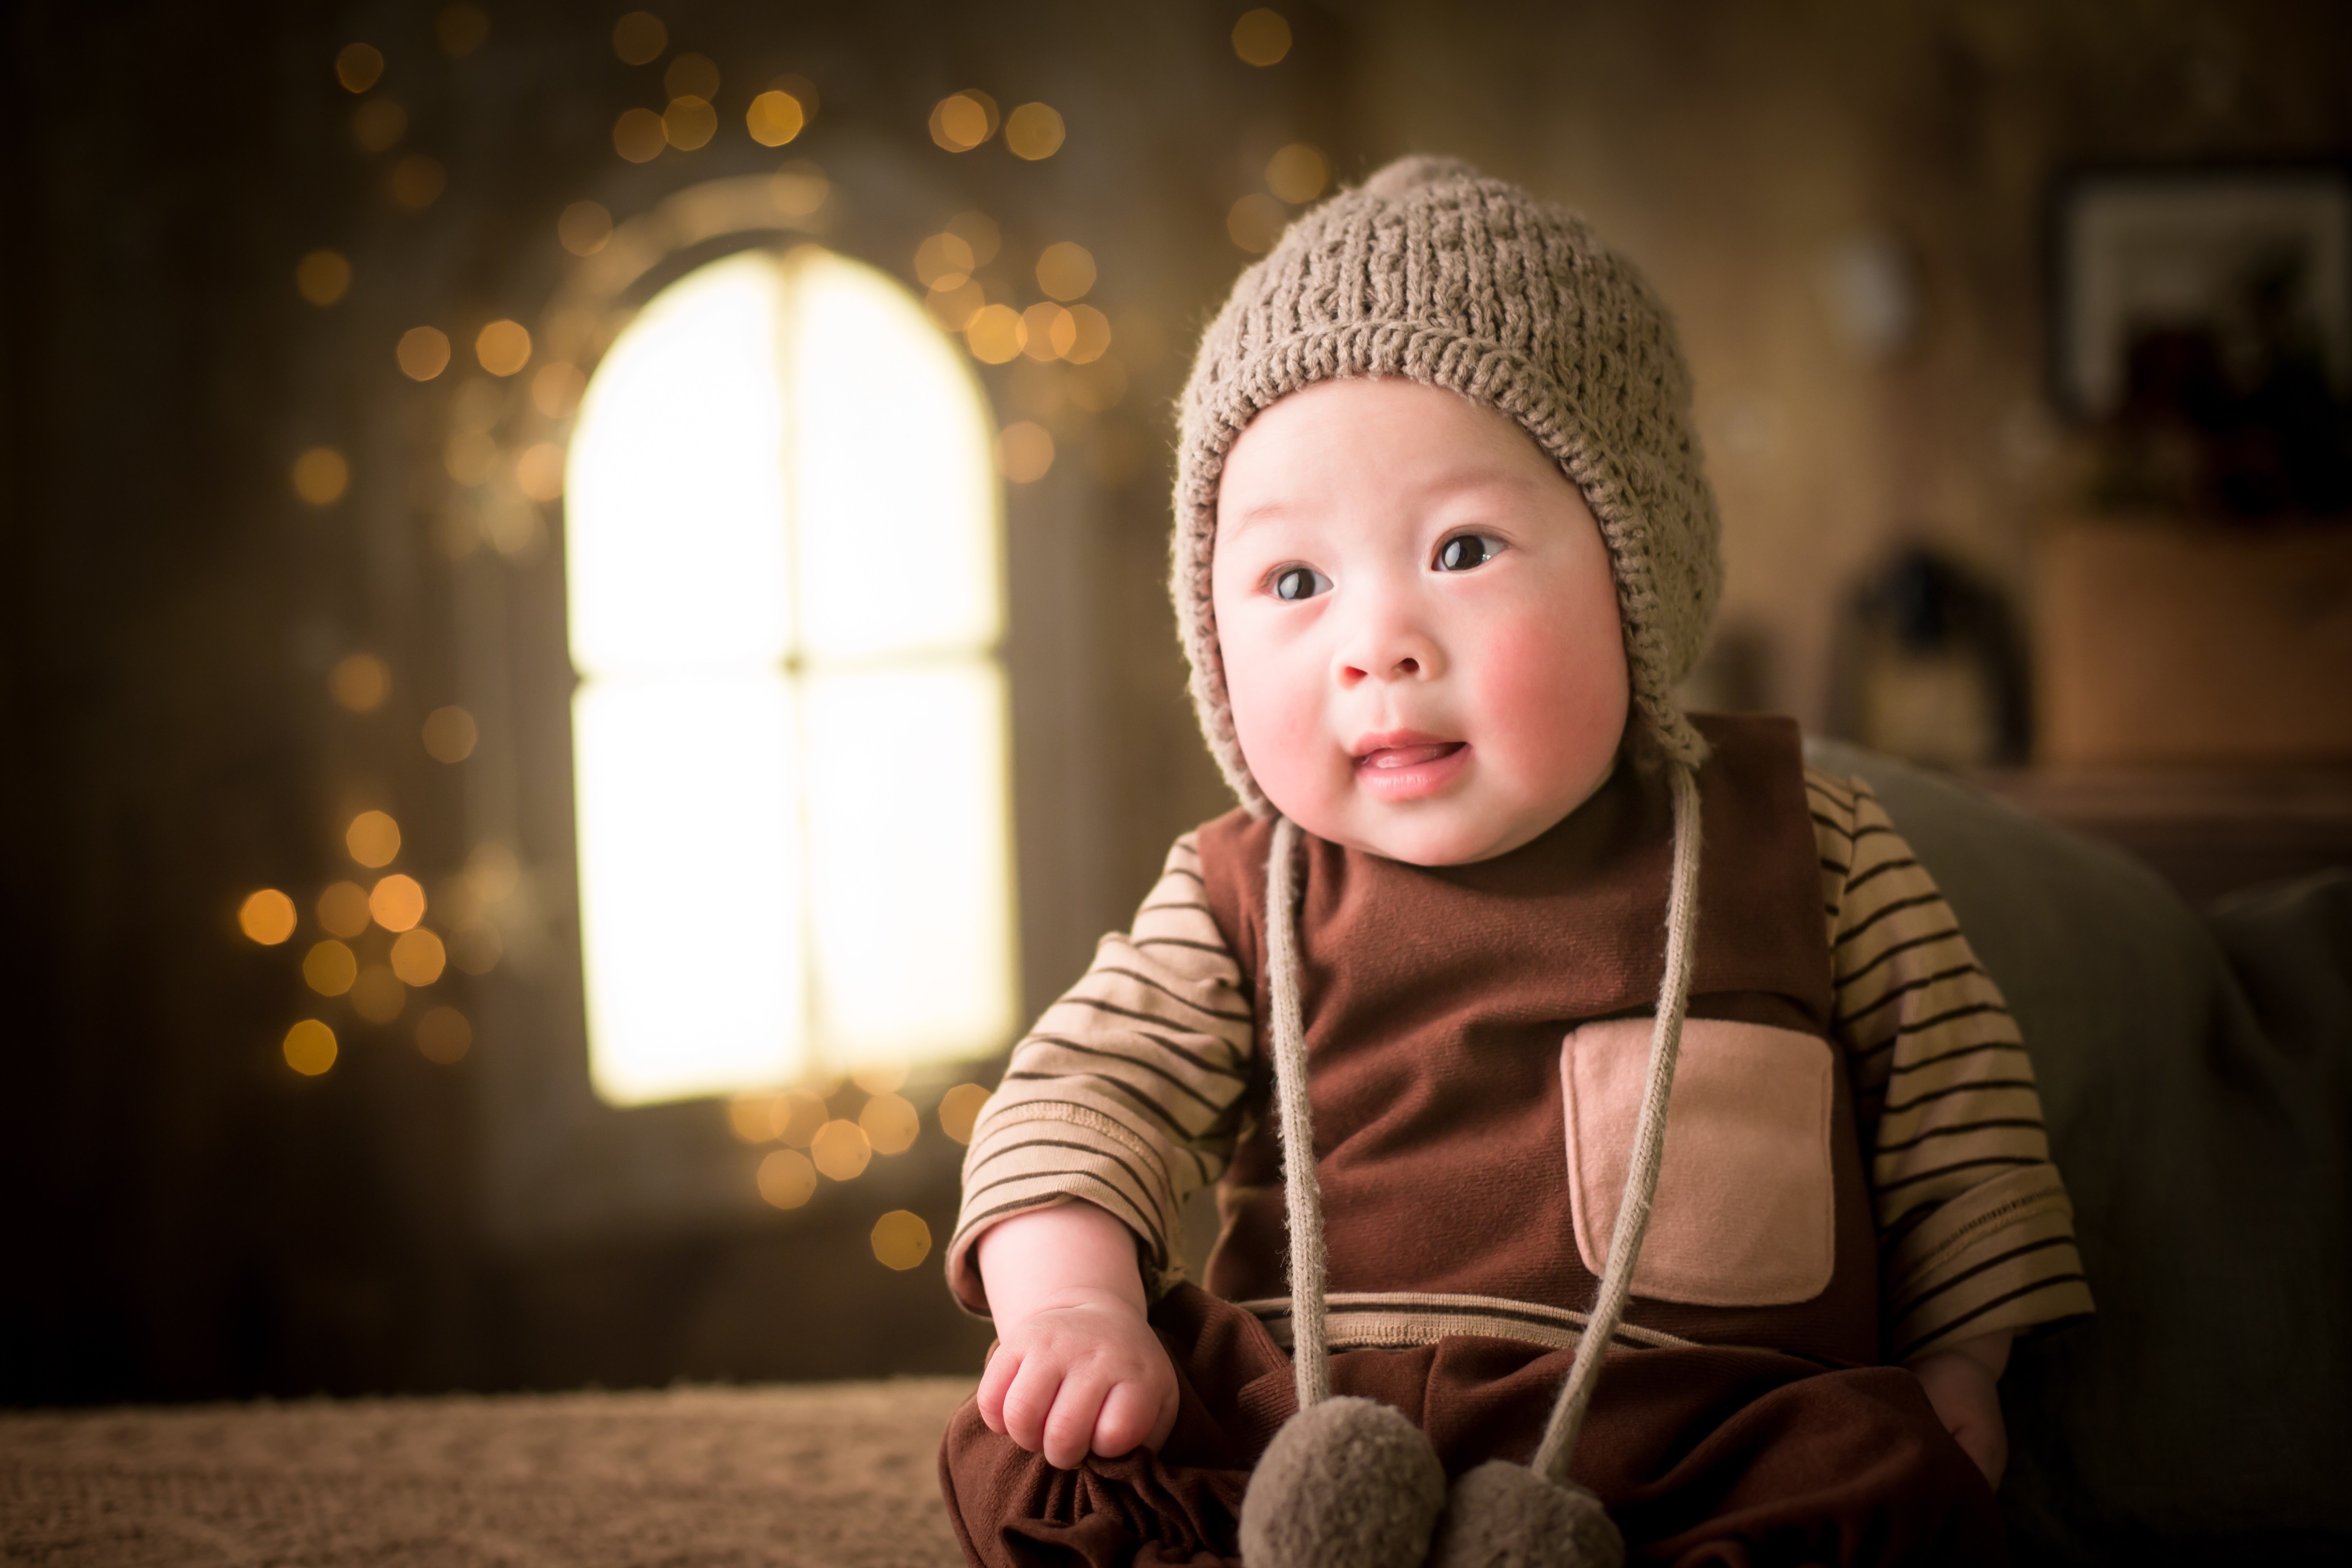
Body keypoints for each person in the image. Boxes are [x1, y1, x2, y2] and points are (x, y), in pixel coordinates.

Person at [936, 157, 2092, 1568]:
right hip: (1310, 1433)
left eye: (1465, 548)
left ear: (1636, 576)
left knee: (1882, 1480)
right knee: (1041, 1451)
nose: (1378, 642)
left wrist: (1965, 1361)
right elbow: (1080, 1094)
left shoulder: (1802, 846)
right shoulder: (1244, 891)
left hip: (1702, 1434)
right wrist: (1074, 1311)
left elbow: (1955, 1111)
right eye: (1297, 583)